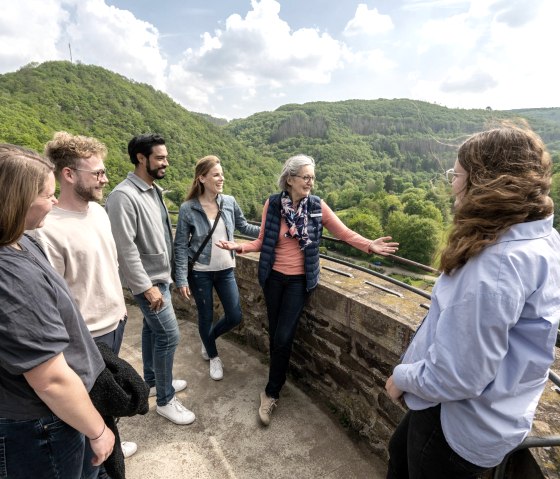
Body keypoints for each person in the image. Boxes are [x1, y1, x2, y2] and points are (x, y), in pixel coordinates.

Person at [384, 124, 560, 478]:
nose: (452, 184)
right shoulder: (543, 238)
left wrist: (401, 378)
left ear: (485, 182)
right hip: (495, 412)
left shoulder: (494, 266)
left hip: (458, 422)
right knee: (397, 451)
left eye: (457, 175)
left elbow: (458, 377)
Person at [218, 154, 399, 426]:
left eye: (312, 177)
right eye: (306, 177)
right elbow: (261, 241)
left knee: (282, 336)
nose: (310, 182)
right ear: (289, 179)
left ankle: (270, 393)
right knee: (276, 332)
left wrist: (369, 245)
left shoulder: (317, 207)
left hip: (299, 283)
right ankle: (276, 378)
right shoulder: (274, 204)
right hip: (272, 279)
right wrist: (239, 247)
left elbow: (344, 233)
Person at [0, 145, 115, 478]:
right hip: (40, 423)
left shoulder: (23, 239)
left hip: (51, 414)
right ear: (15, 201)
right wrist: (98, 430)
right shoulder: (10, 277)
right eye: (47, 196)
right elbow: (49, 379)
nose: (54, 201)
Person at [32, 132, 138, 465]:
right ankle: (103, 456)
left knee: (105, 400)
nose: (105, 178)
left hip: (115, 321)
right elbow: (50, 299)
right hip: (86, 334)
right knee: (85, 408)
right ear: (68, 175)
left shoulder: (99, 212)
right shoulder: (46, 229)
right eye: (97, 173)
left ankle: (111, 442)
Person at [105, 133, 194, 426]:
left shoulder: (153, 189)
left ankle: (154, 383)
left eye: (165, 157)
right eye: (160, 157)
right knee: (169, 336)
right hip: (149, 283)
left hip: (161, 277)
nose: (166, 162)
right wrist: (146, 288)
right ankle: (166, 401)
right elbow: (125, 247)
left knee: (153, 332)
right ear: (141, 158)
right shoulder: (123, 196)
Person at [174, 155, 260, 381]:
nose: (221, 178)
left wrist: (269, 231)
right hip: (200, 271)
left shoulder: (229, 202)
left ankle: (208, 339)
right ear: (202, 178)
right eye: (216, 175)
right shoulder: (188, 208)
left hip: (226, 269)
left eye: (221, 174)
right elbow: (181, 245)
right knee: (206, 315)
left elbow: (243, 226)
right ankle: (213, 356)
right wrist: (181, 278)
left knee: (234, 315)